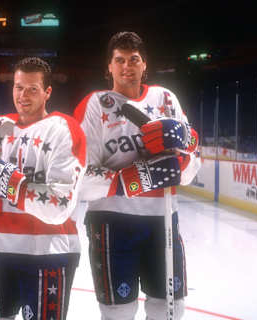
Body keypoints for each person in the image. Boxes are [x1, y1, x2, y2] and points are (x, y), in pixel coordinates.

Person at [73, 31, 200, 320]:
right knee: (118, 313)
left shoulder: (166, 99)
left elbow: (193, 163)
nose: (127, 66)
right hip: (112, 225)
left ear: (145, 65)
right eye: (119, 60)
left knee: (171, 310)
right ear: (108, 66)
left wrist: (181, 160)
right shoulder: (94, 104)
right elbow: (79, 179)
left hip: (163, 221)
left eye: (134, 60)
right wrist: (137, 179)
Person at [0, 57, 87, 320]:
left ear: (47, 92)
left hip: (49, 255)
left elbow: (59, 206)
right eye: (18, 87)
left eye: (33, 89)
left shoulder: (64, 129)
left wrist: (9, 185)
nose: (23, 95)